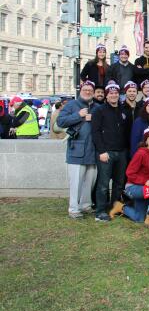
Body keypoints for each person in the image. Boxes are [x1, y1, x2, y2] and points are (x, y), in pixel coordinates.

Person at [57, 81, 99, 219]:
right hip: (77, 150)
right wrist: (79, 115)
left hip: (93, 151)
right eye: (85, 89)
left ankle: (85, 205)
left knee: (89, 181)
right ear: (81, 90)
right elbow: (60, 122)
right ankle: (74, 208)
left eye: (90, 90)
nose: (88, 92)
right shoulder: (71, 105)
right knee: (76, 182)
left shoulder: (97, 107)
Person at [109, 126, 149, 228]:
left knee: (139, 218)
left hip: (143, 189)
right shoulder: (141, 153)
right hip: (133, 187)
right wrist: (145, 181)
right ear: (146, 141)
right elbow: (129, 173)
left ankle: (120, 207)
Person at [91, 82, 128, 222]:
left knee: (119, 183)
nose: (114, 95)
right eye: (111, 93)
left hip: (121, 152)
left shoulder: (123, 109)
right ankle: (100, 211)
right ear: (107, 95)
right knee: (103, 184)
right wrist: (101, 151)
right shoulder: (99, 111)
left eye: (116, 93)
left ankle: (114, 207)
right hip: (106, 152)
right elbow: (95, 132)